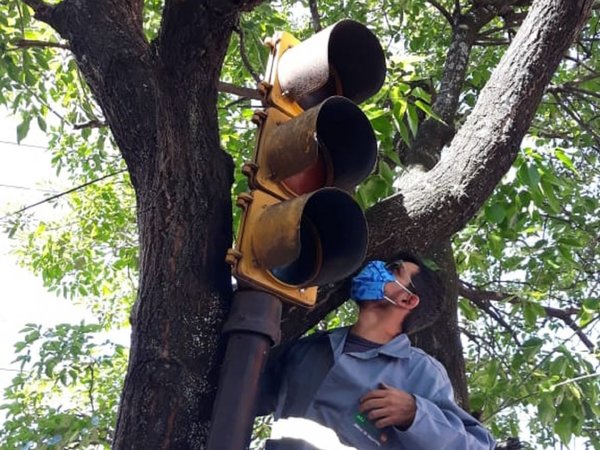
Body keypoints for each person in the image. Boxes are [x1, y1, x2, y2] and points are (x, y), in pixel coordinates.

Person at [256, 253, 496, 450]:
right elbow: (248, 395)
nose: (377, 268)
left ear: (407, 300)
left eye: (394, 269)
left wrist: (415, 415)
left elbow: (477, 446)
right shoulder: (309, 349)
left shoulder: (418, 370)